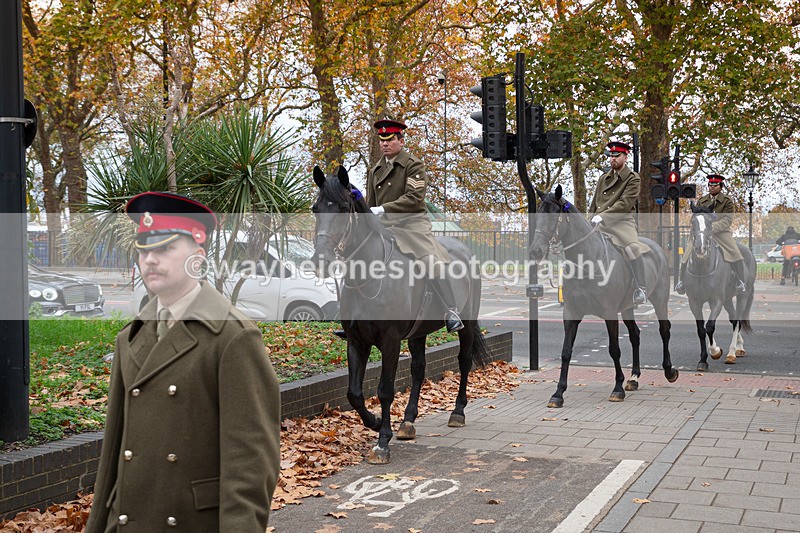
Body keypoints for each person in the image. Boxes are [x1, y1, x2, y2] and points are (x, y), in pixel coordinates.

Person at [85, 192, 281, 533]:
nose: (150, 260)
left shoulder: (232, 337)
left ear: (197, 258)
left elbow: (250, 464)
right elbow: (114, 453)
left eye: (165, 249)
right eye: (144, 250)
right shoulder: (130, 337)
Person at [367, 118, 463, 332]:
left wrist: (383, 209)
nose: (384, 144)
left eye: (389, 139)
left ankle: (451, 310)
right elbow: (371, 203)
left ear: (401, 141)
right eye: (382, 140)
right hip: (384, 226)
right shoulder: (375, 170)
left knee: (430, 262)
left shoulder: (413, 165)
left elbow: (414, 198)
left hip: (412, 225)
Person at [588, 140, 648, 304]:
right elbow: (594, 204)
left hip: (622, 222)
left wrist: (603, 217)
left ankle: (641, 288)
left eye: (617, 155)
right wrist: (588, 221)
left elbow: (625, 203)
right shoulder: (603, 178)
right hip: (599, 221)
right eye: (611, 156)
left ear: (625, 157)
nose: (613, 159)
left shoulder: (633, 178)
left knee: (632, 248)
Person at [675, 174, 747, 294]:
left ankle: (741, 282)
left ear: (721, 186)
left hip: (720, 233)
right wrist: (701, 229)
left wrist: (711, 227)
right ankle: (682, 282)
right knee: (687, 253)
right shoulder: (702, 201)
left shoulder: (727, 201)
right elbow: (697, 217)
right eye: (710, 185)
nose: (712, 187)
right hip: (702, 232)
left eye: (715, 185)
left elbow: (727, 220)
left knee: (735, 253)